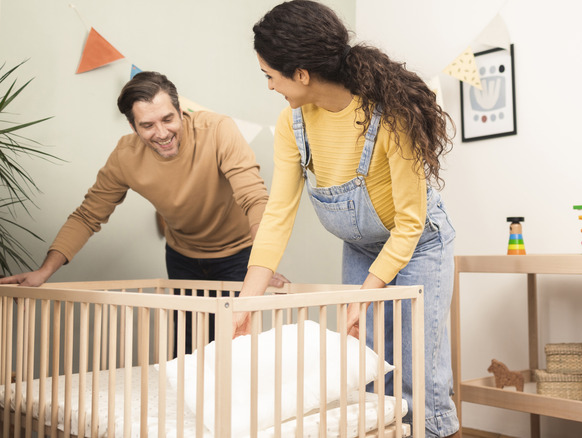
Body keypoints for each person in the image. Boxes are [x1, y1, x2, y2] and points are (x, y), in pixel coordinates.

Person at [233, 1, 460, 436]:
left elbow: (410, 224)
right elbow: (278, 215)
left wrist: (366, 292)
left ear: (300, 73)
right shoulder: (291, 124)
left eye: (270, 75)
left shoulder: (389, 117)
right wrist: (247, 303)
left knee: (419, 371)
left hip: (419, 243)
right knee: (369, 368)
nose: (268, 86)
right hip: (361, 247)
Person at [0, 71, 287, 352]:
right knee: (188, 349)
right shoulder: (125, 156)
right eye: (147, 125)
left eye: (168, 119)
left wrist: (262, 262)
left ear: (180, 110)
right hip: (183, 258)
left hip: (239, 255)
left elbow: (254, 198)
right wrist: (44, 271)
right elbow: (88, 215)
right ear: (132, 126)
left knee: (237, 345)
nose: (162, 133)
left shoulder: (218, 130)